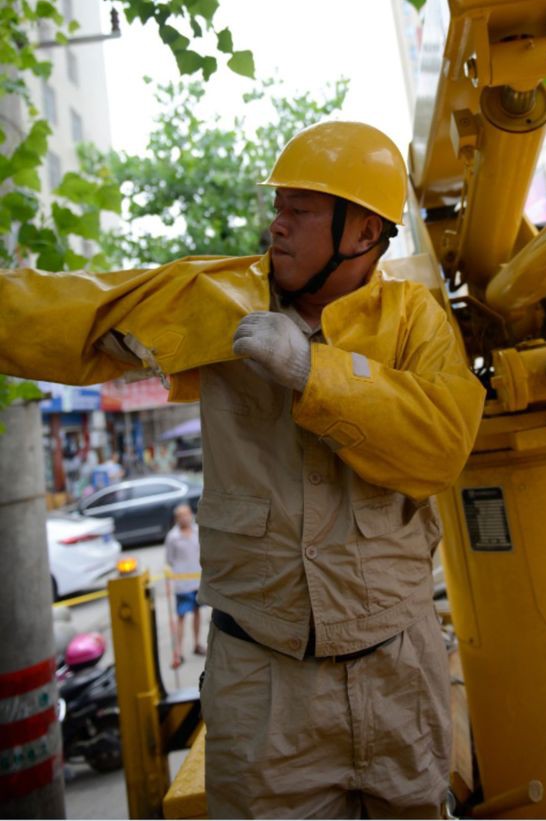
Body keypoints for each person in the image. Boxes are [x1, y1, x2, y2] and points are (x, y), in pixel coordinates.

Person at [0, 120, 485, 819]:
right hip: (265, 686)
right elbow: (82, 310)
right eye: (278, 205)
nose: (276, 224)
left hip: (397, 671)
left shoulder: (415, 319)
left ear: (362, 232)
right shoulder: (219, 300)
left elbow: (441, 441)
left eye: (299, 209)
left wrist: (312, 370)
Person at [164, 503, 204, 668]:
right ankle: (178, 651)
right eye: (181, 515)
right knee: (181, 616)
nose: (185, 517)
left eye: (187, 514)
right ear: (176, 518)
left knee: (197, 613)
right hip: (183, 583)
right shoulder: (173, 537)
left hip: (198, 581)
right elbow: (170, 559)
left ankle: (197, 644)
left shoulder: (197, 531)